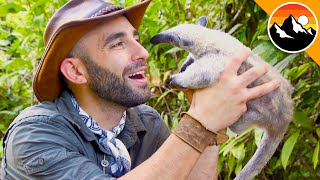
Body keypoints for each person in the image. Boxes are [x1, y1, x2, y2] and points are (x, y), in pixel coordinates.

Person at [1, 0, 281, 179]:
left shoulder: (146, 121)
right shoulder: (34, 135)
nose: (143, 52)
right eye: (117, 44)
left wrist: (212, 125)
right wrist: (197, 124)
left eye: (136, 39)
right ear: (76, 71)